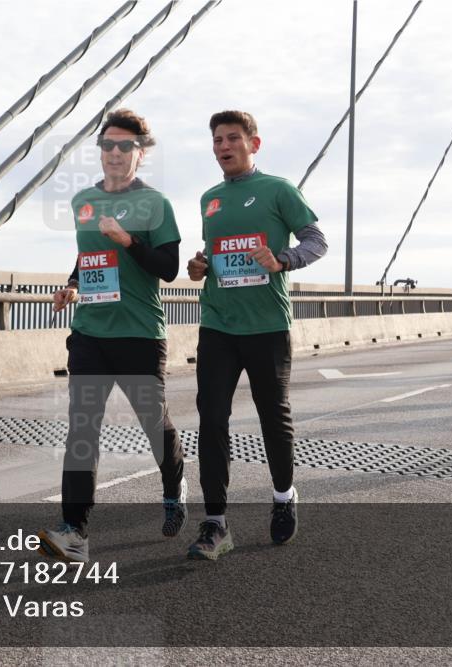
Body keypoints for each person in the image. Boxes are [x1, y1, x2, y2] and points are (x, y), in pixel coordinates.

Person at [38, 109, 187, 563]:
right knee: (82, 429)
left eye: (125, 146)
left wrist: (128, 241)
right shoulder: (83, 201)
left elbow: (168, 268)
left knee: (153, 424)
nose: (115, 153)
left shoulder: (155, 204)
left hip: (139, 334)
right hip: (90, 334)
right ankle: (75, 531)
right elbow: (88, 257)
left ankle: (174, 484)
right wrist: (72, 284)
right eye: (108, 145)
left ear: (141, 153)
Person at [185, 110, 327, 560]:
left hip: (267, 326)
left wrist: (283, 259)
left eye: (232, 138)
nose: (223, 147)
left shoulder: (279, 189)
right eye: (217, 140)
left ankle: (284, 496)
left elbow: (316, 241)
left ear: (254, 144)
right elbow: (213, 254)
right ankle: (216, 523)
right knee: (211, 419)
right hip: (217, 324)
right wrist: (199, 266)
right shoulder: (209, 199)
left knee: (272, 416)